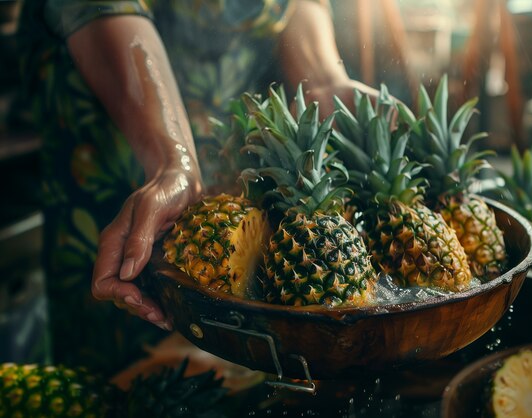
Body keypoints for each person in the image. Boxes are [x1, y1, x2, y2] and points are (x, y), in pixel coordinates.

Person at [18, 0, 382, 374]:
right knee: (111, 365)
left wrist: (324, 80)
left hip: (234, 161)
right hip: (109, 137)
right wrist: (171, 161)